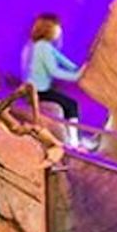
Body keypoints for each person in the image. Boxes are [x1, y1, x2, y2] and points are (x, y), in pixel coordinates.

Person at [22, 13, 85, 145]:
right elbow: (54, 71)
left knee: (67, 102)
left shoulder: (40, 45)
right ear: (48, 29)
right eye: (57, 27)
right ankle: (74, 141)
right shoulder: (42, 47)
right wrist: (77, 76)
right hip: (38, 92)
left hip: (38, 89)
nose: (60, 31)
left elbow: (61, 58)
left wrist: (78, 68)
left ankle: (74, 139)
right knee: (71, 105)